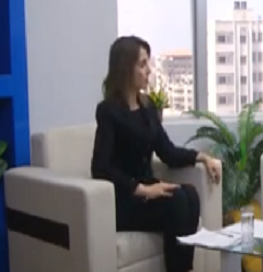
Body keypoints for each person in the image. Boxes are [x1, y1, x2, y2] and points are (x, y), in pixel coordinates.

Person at [91, 36, 222, 272]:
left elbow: (167, 152)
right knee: (177, 201)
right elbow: (100, 167)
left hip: (147, 191)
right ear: (126, 68)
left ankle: (184, 268)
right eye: (142, 64)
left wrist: (202, 157)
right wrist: (141, 189)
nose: (149, 70)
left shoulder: (148, 107)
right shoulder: (108, 111)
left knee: (190, 195)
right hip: (124, 199)